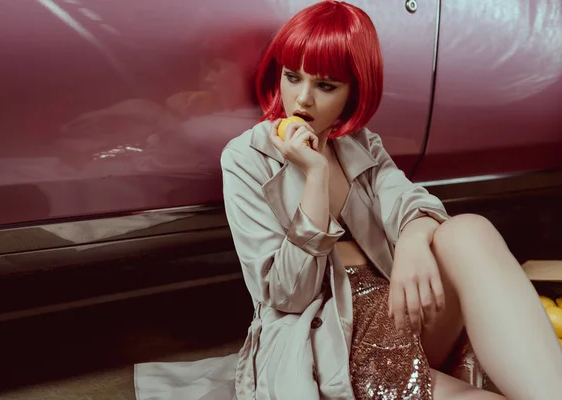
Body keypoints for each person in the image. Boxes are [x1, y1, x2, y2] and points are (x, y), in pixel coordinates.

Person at [219, 1, 562, 399]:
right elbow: (287, 298)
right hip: (338, 334)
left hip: (403, 308)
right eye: (292, 77)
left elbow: (412, 201)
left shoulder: (360, 145)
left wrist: (415, 242)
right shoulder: (245, 158)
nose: (302, 100)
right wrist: (314, 177)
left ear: (353, 93)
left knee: (468, 229)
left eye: (326, 86)